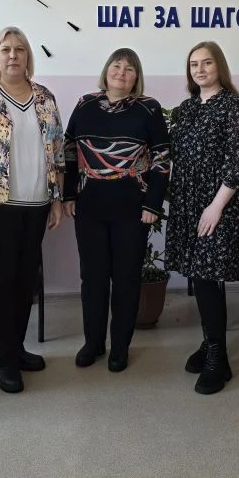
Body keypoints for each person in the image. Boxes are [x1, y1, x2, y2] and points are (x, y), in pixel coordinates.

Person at [0, 27, 65, 394]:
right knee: (2, 284)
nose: (13, 55)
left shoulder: (45, 97)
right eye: (6, 49)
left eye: (20, 49)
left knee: (24, 282)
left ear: (28, 56)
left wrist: (56, 199)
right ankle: (3, 361)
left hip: (37, 204)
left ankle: (17, 348)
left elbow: (57, 151)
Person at [63, 48, 170, 372]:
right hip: (89, 206)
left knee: (126, 278)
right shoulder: (85, 104)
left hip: (132, 208)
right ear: (107, 70)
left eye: (129, 68)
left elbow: (162, 158)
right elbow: (69, 150)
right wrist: (68, 195)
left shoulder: (149, 108)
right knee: (92, 278)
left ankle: (120, 347)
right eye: (117, 66)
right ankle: (93, 343)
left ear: (137, 76)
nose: (122, 72)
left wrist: (153, 204)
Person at [166, 42, 239, 395]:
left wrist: (216, 206)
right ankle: (209, 341)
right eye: (194, 64)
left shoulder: (234, 107)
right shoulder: (186, 108)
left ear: (220, 67)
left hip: (219, 203)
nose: (200, 70)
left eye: (207, 63)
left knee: (207, 276)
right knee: (197, 274)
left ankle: (219, 357)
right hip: (187, 202)